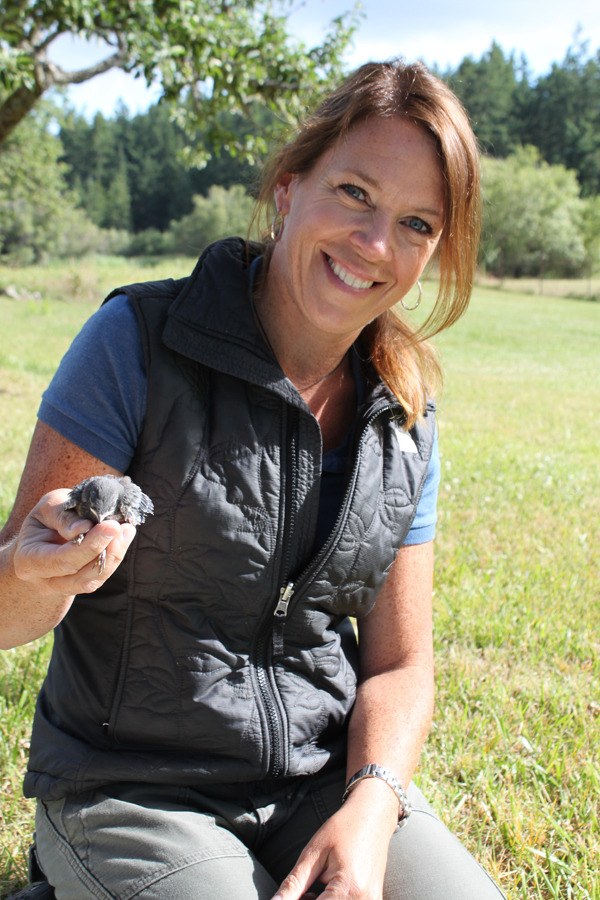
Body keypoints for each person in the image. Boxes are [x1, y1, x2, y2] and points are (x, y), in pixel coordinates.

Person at [0, 60, 505, 899]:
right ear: (288, 183)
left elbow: (399, 666)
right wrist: (34, 568)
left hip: (319, 783)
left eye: (416, 223)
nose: (375, 245)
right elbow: (7, 607)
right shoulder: (137, 341)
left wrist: (372, 807)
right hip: (131, 788)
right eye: (353, 193)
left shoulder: (405, 417)